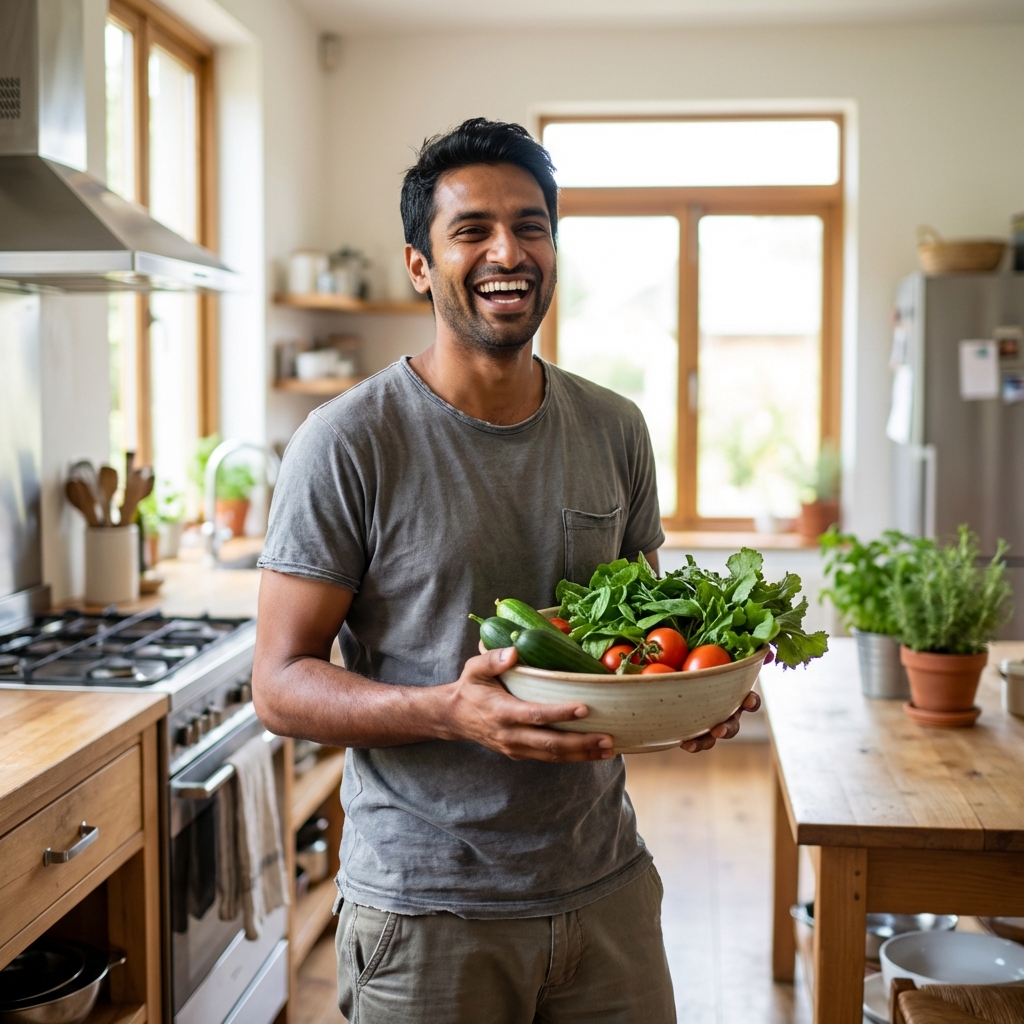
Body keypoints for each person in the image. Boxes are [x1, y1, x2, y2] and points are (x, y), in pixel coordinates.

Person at [252, 117, 760, 1024]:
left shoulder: (614, 428)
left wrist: (690, 698)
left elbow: (643, 635)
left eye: (530, 226)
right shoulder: (348, 443)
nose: (507, 252)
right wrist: (447, 710)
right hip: (427, 910)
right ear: (420, 264)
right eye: (472, 230)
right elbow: (280, 686)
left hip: (606, 888)